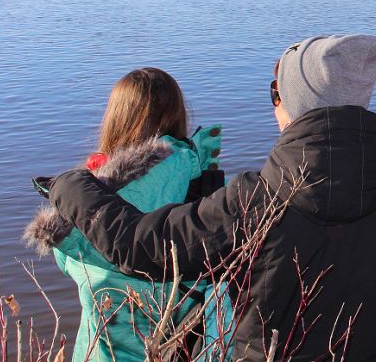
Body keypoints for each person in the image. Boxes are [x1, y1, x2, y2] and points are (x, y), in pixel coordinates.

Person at [41, 35, 376, 362]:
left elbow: (140, 247)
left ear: (293, 103)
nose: (274, 105)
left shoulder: (258, 200)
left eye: (277, 93)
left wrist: (73, 185)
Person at [25, 67, 229, 362]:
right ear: (178, 115)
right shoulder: (203, 189)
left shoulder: (78, 204)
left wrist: (98, 178)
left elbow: (70, 261)